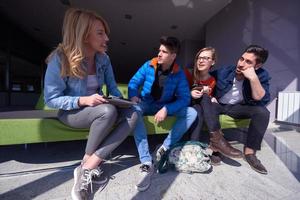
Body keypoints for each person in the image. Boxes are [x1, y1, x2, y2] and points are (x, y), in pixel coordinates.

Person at [44, 8, 137, 200]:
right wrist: (84, 100)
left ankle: (88, 165)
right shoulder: (59, 59)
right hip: (72, 113)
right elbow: (51, 99)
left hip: (100, 110)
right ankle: (88, 167)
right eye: (100, 33)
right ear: (84, 35)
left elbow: (113, 89)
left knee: (133, 112)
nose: (106, 39)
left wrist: (125, 102)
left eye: (106, 33)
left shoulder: (104, 59)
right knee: (107, 111)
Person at [128, 36, 197, 191]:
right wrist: (133, 95)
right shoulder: (148, 65)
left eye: (164, 52)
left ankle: (164, 148)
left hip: (164, 105)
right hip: (146, 102)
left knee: (191, 113)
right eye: (159, 50)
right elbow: (133, 82)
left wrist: (167, 109)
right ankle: (146, 161)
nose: (159, 54)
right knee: (134, 111)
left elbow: (185, 98)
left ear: (173, 56)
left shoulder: (179, 74)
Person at [210, 44, 270, 174]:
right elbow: (205, 78)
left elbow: (262, 100)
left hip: (238, 107)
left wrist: (253, 78)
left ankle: (250, 153)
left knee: (262, 112)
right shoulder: (224, 71)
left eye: (248, 62)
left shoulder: (261, 75)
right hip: (219, 103)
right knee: (211, 107)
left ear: (257, 66)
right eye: (241, 59)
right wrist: (210, 95)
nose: (241, 64)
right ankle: (217, 148)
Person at [188, 47, 242, 164]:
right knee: (202, 104)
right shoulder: (188, 74)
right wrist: (190, 93)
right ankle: (217, 142)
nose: (201, 61)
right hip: (189, 103)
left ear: (212, 62)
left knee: (207, 104)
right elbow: (178, 93)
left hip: (203, 106)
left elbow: (210, 96)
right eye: (199, 58)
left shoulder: (212, 80)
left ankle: (196, 148)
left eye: (206, 58)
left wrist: (212, 97)